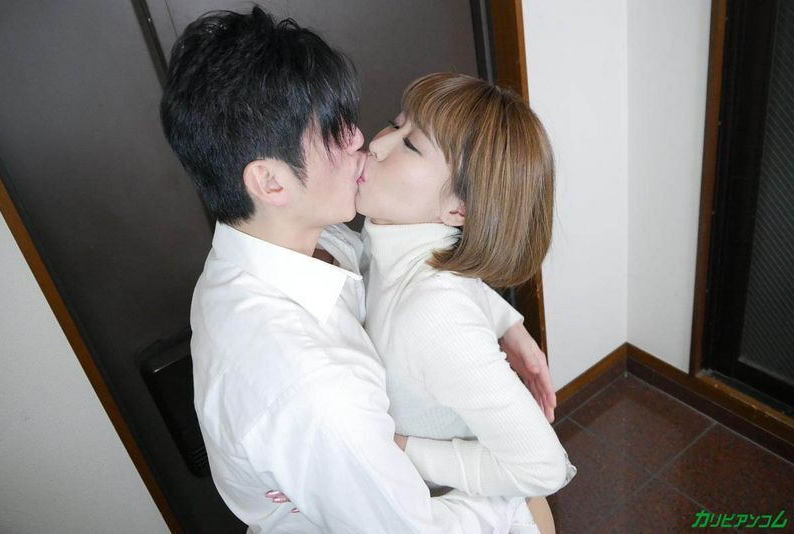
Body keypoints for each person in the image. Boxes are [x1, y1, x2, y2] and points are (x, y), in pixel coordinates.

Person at [161, 7, 556, 533]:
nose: (361, 140)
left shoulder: (295, 243)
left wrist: (506, 323)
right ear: (270, 182)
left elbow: (407, 271)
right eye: (332, 130)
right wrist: (520, 506)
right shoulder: (315, 389)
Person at [356, 73, 578, 532]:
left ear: (458, 209)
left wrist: (402, 449)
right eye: (393, 124)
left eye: (410, 145)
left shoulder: (434, 314)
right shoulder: (392, 249)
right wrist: (508, 323)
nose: (375, 145)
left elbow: (544, 467)